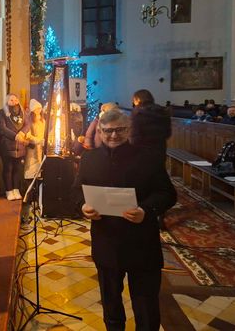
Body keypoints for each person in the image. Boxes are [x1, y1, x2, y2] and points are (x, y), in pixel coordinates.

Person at [75, 109, 177, 331]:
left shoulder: (148, 157)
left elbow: (168, 193)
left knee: (146, 305)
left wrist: (146, 210)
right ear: (99, 131)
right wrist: (83, 207)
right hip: (107, 242)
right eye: (108, 131)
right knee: (111, 303)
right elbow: (77, 191)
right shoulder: (89, 158)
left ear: (128, 130)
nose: (113, 135)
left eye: (119, 129)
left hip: (142, 242)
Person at [0, 93, 31, 200]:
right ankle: (9, 190)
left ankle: (16, 189)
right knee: (8, 168)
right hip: (7, 145)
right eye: (11, 100)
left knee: (18, 168)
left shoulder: (23, 112)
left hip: (20, 146)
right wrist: (15, 136)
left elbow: (28, 124)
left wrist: (22, 133)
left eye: (15, 100)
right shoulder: (2, 112)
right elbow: (2, 128)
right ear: (7, 101)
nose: (14, 102)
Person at [129, 89, 172, 166]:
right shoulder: (163, 111)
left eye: (134, 100)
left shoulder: (137, 113)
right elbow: (168, 133)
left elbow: (134, 138)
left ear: (138, 99)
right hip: (160, 150)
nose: (134, 103)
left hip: (142, 153)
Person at [24, 98, 45, 183]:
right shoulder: (29, 121)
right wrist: (38, 140)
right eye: (36, 108)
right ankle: (29, 185)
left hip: (40, 148)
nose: (38, 110)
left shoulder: (42, 120)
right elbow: (28, 135)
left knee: (38, 168)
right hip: (32, 148)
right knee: (30, 167)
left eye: (39, 108)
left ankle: (36, 184)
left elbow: (44, 132)